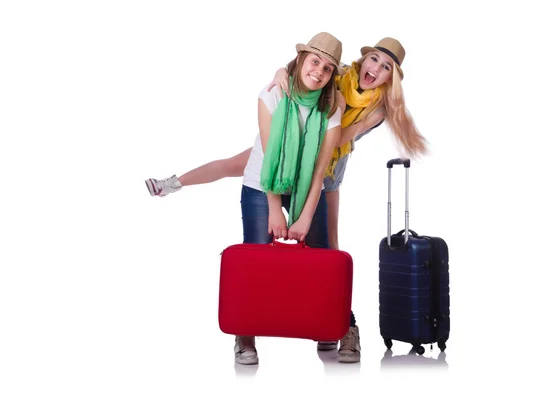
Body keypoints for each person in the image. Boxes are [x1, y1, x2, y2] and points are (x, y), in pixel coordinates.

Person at [145, 36, 428, 363]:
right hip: (285, 147)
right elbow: (303, 68)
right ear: (363, 60)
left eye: (386, 67)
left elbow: (337, 140)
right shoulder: (338, 75)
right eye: (375, 59)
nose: (376, 69)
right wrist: (282, 73)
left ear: (390, 78)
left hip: (327, 163)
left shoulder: (372, 107)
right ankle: (173, 183)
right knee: (232, 168)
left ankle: (342, 325)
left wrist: (328, 114)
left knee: (328, 251)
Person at [228, 32, 346, 365]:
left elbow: (321, 165)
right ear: (301, 61)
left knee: (320, 258)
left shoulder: (331, 106)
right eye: (315, 62)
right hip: (262, 186)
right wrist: (274, 208)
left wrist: (306, 215)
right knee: (256, 259)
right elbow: (269, 157)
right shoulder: (272, 95)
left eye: (327, 69)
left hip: (309, 189)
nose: (319, 72)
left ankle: (324, 326)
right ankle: (245, 334)